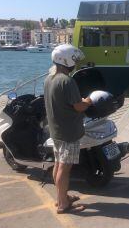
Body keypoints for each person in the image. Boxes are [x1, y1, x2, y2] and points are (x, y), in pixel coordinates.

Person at [44, 44, 91, 214]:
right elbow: (78, 107)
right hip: (69, 132)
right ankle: (63, 204)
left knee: (58, 164)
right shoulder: (67, 81)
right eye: (74, 60)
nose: (75, 64)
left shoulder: (49, 78)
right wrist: (88, 101)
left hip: (56, 130)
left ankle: (61, 198)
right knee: (65, 167)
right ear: (67, 61)